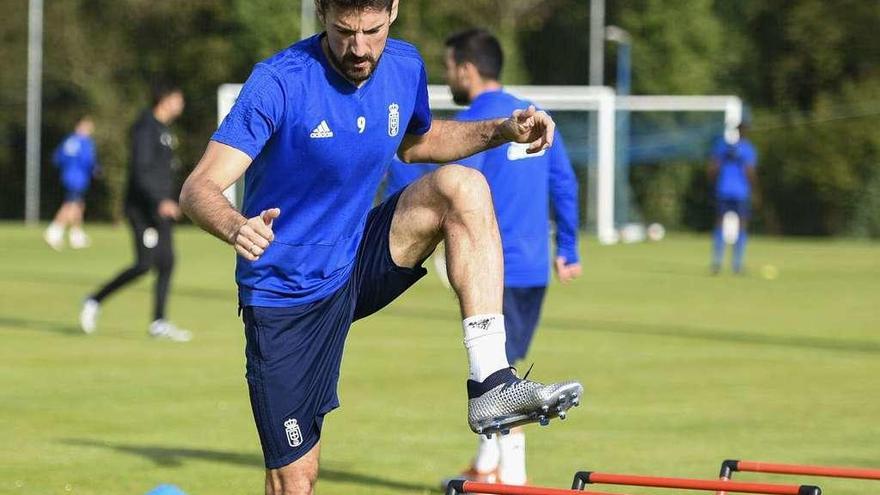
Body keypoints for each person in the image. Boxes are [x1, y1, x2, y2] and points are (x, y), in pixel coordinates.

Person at [179, 1, 583, 493]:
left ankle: (491, 382)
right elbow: (198, 188)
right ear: (323, 12)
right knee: (295, 480)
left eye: (372, 30)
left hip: (355, 260)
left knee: (462, 188)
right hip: (286, 295)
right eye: (344, 31)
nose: (360, 48)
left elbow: (417, 142)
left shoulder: (405, 65)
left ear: (392, 11)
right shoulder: (279, 81)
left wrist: (499, 131)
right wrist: (235, 225)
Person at [385, 29, 582, 487]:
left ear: (468, 69)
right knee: (502, 366)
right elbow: (565, 183)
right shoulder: (534, 117)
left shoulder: (474, 128)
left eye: (450, 65)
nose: (447, 74)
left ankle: (512, 479)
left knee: (502, 383)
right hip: (535, 266)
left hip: (495, 266)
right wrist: (568, 248)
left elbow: (455, 188)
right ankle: (487, 464)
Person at [79, 83, 190, 342]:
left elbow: (163, 171)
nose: (181, 105)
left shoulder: (165, 130)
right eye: (178, 99)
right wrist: (159, 200)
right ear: (164, 99)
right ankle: (93, 300)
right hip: (143, 210)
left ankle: (159, 323)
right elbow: (140, 171)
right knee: (144, 265)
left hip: (160, 210)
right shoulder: (145, 128)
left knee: (167, 262)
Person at [708, 123, 758, 274]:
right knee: (742, 227)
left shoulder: (721, 146)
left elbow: (712, 169)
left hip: (723, 190)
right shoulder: (748, 149)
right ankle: (737, 265)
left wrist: (712, 184)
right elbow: (750, 172)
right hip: (741, 193)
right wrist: (755, 190)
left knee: (719, 225)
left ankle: (717, 263)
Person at [44, 116, 99, 250]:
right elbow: (88, 161)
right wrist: (96, 169)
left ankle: (76, 235)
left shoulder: (68, 140)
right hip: (78, 178)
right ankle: (54, 231)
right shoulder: (84, 142)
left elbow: (57, 158)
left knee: (78, 205)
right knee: (70, 205)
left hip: (67, 176)